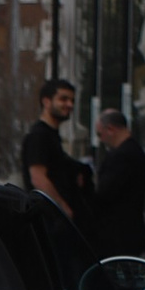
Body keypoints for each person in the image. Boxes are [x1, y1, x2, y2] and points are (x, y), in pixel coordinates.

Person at [21, 79, 92, 226]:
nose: (69, 105)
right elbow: (38, 178)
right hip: (51, 221)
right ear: (46, 102)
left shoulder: (50, 135)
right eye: (63, 99)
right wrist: (62, 208)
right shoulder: (39, 136)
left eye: (72, 100)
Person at [92, 109, 145, 258]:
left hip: (118, 236)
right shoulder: (135, 151)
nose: (101, 139)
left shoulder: (123, 156)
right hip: (128, 232)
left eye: (100, 134)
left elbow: (105, 192)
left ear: (110, 129)